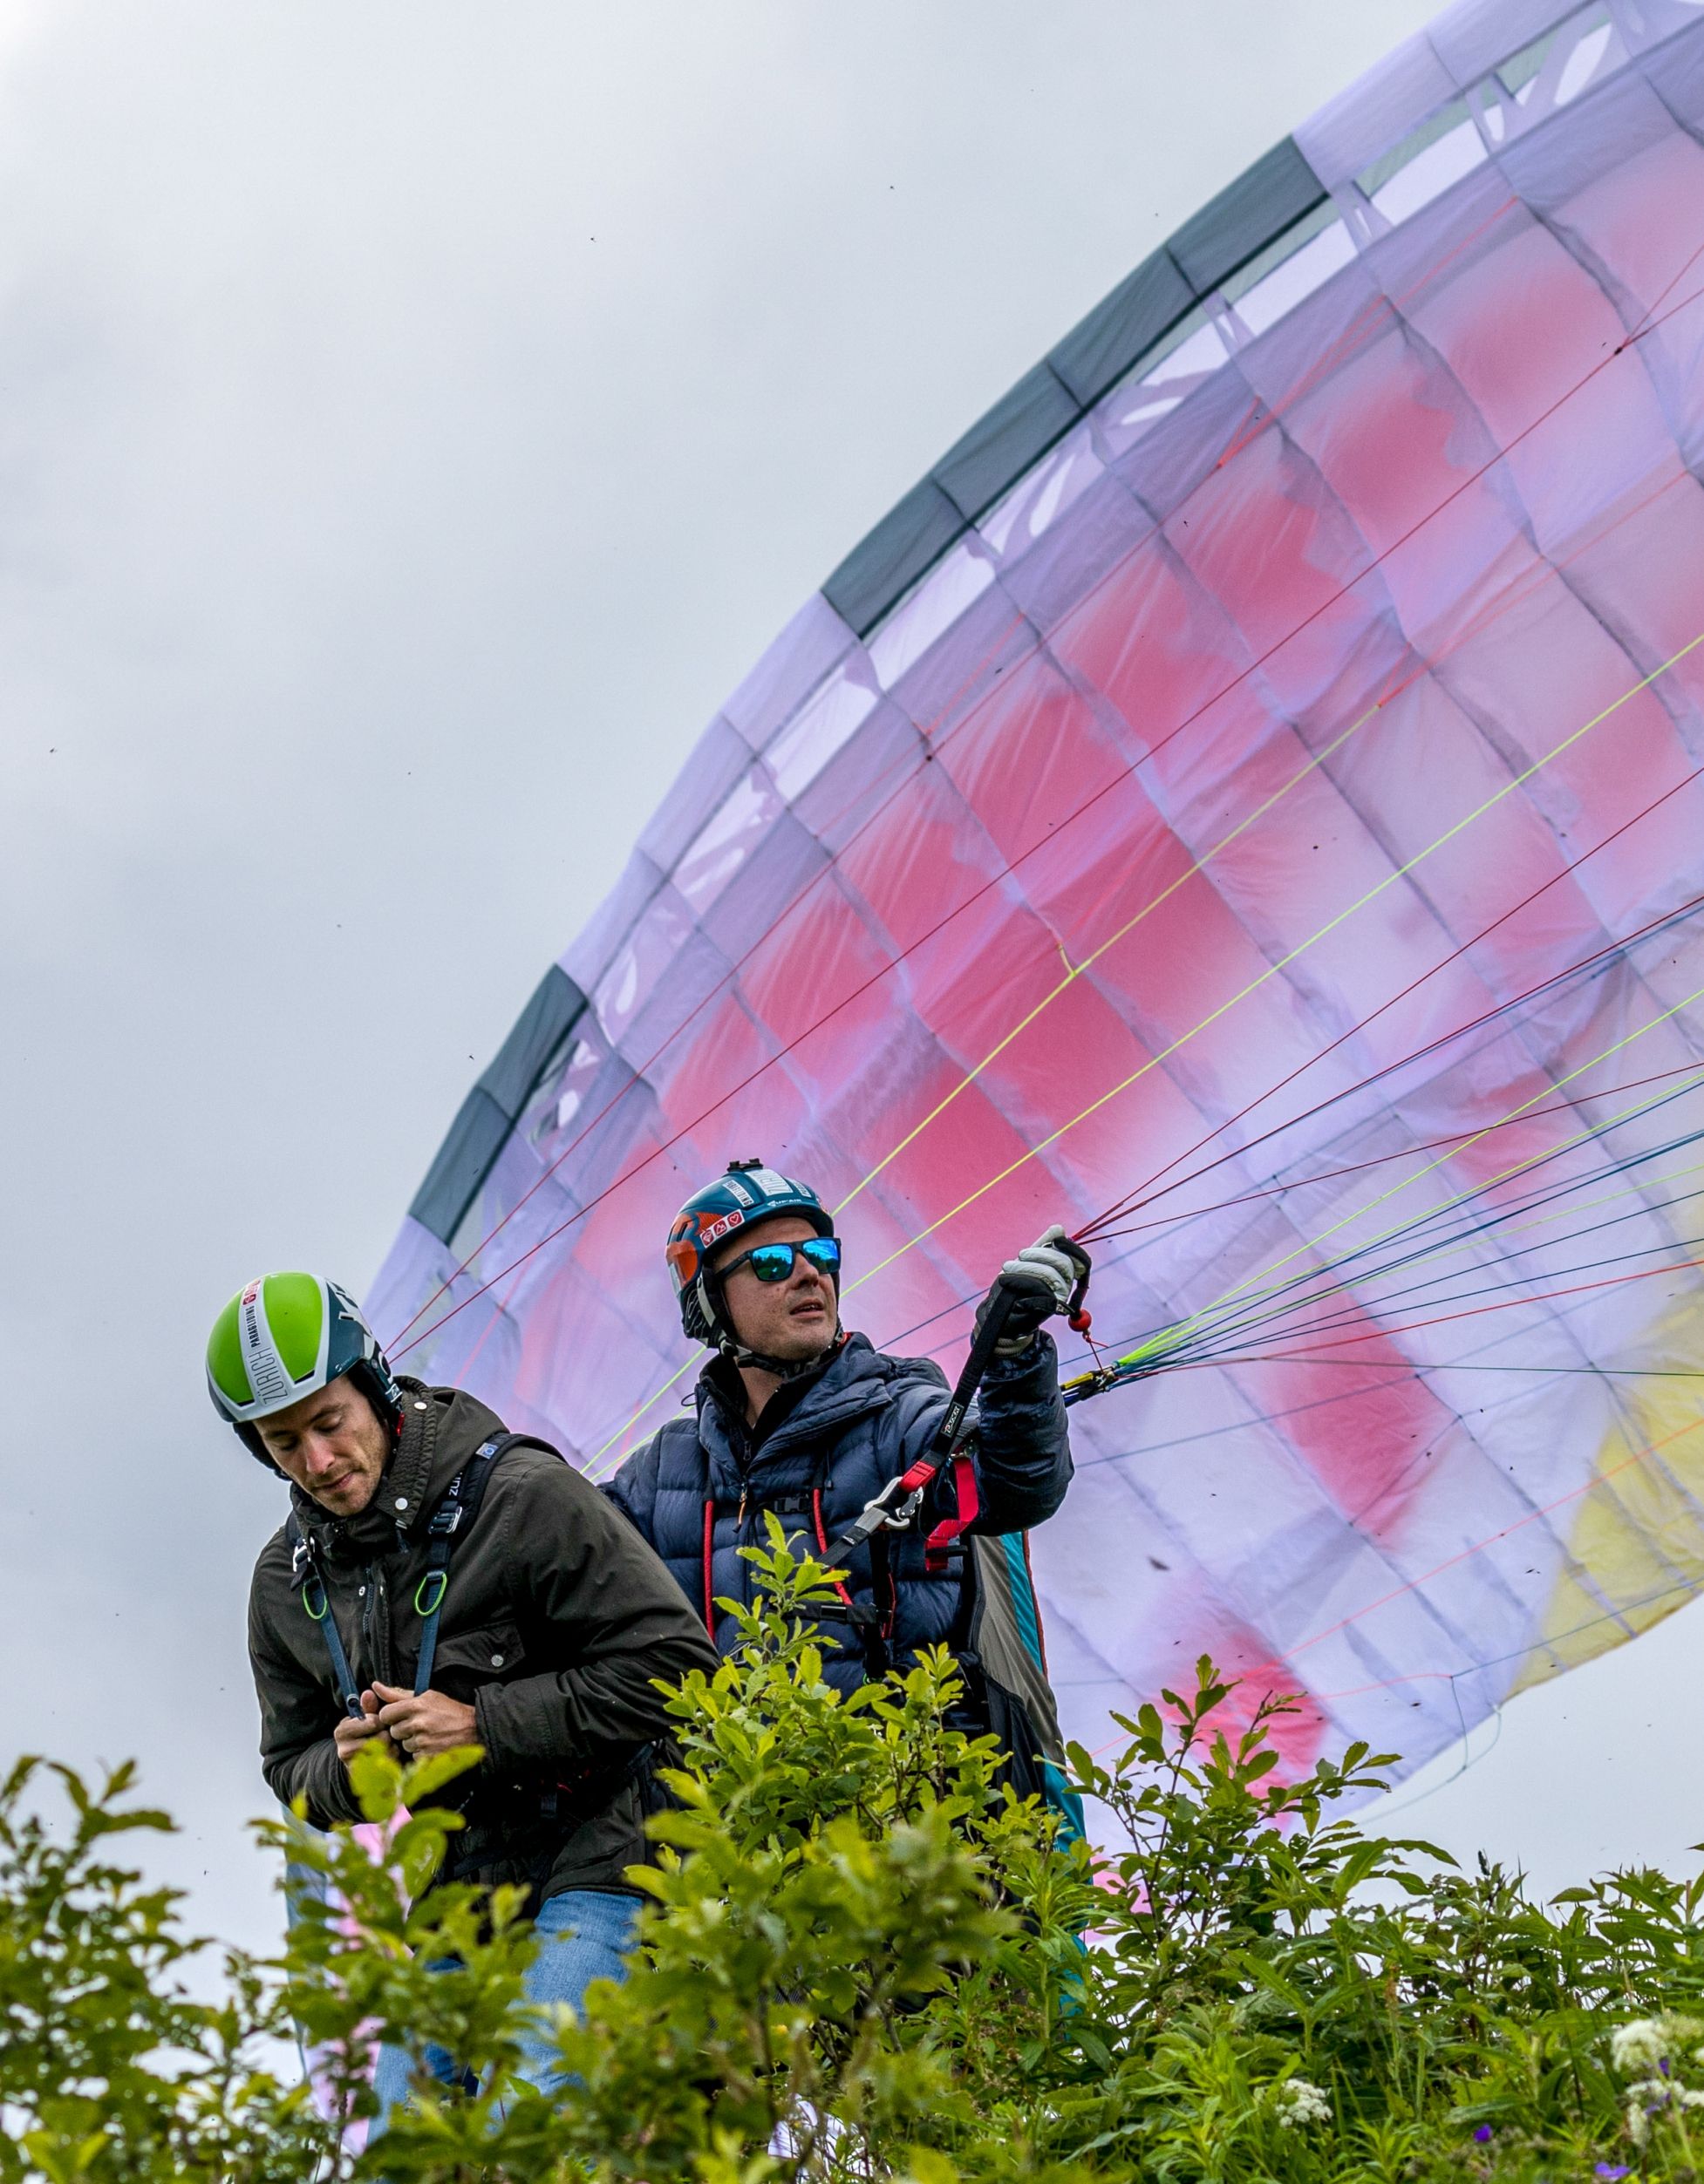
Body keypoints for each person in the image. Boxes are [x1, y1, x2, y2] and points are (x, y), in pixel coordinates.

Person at [210, 1270, 718, 2119]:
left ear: (372, 1385)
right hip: (466, 1882)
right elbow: (288, 1767)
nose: (318, 1462)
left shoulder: (522, 1496)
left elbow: (680, 1670)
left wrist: (484, 1726)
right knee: (410, 2149)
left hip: (615, 1845)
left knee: (531, 2113)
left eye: (330, 1423)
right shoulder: (281, 1584)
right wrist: (344, 1778)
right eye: (283, 1443)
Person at [605, 1160, 1084, 1786]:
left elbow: (1020, 1483)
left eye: (820, 1253)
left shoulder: (904, 1415)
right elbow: (557, 1569)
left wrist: (1015, 1359)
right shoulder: (660, 1473)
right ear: (711, 1302)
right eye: (773, 1263)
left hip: (912, 1819)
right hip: (749, 1835)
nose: (809, 1273)